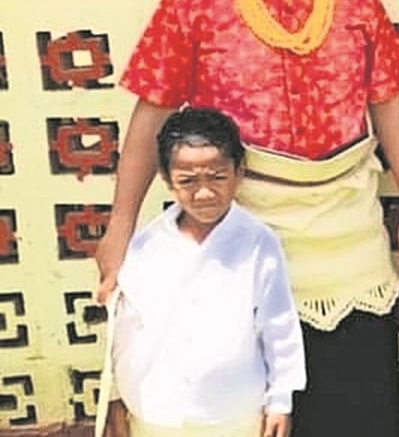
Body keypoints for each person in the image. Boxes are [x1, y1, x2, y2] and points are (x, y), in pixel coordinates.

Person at [94, 0, 399, 437]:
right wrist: (120, 227)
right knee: (246, 404)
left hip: (345, 230)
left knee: (357, 404)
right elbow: (151, 113)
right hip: (235, 230)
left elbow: (387, 101)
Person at [101, 107, 306, 437]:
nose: (204, 192)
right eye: (187, 181)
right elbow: (124, 332)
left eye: (217, 177)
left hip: (234, 412)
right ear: (168, 180)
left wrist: (280, 401)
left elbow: (278, 325)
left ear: (239, 172)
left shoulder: (258, 243)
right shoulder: (145, 247)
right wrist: (115, 400)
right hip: (156, 412)